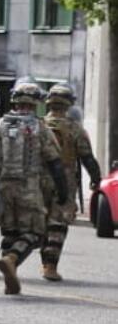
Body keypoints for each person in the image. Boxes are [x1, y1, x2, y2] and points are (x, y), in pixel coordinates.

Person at [0, 82, 68, 295]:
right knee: (35, 233)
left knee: (9, 232)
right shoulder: (40, 128)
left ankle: (10, 276)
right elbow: (55, 162)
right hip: (29, 186)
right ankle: (12, 259)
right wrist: (62, 191)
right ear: (36, 103)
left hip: (2, 185)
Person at [39, 84, 102, 281]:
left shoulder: (38, 125)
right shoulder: (75, 129)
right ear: (69, 104)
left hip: (39, 179)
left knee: (42, 221)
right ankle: (51, 265)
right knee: (58, 223)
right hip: (65, 180)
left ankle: (43, 261)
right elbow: (87, 158)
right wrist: (96, 179)